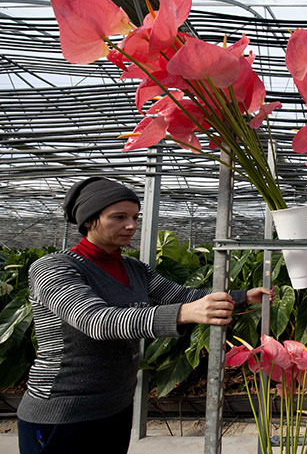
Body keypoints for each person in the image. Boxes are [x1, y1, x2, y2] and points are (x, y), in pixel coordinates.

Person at [16, 177, 273, 454]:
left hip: (115, 405)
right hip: (62, 410)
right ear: (89, 220)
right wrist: (185, 314)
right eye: (119, 217)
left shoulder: (134, 269)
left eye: (135, 217)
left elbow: (182, 296)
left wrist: (242, 296)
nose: (131, 226)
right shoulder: (53, 268)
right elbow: (96, 320)